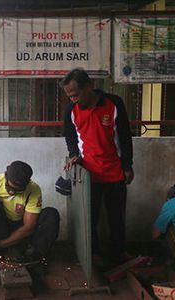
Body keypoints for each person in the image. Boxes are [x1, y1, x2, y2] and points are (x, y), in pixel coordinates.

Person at [60, 68, 134, 263]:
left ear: (89, 86)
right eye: (69, 96)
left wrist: (128, 166)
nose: (73, 99)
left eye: (76, 94)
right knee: (90, 217)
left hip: (115, 172)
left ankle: (119, 252)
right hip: (88, 174)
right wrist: (74, 155)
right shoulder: (71, 111)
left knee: (116, 217)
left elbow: (125, 138)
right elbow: (70, 138)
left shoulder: (114, 103)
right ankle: (94, 254)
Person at [0, 161, 60, 262]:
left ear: (27, 183)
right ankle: (0, 252)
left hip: (19, 227)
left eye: (18, 191)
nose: (12, 192)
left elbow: (28, 227)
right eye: (10, 188)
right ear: (6, 175)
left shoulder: (33, 189)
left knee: (51, 214)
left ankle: (34, 257)